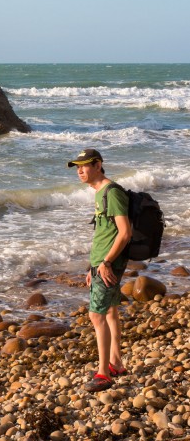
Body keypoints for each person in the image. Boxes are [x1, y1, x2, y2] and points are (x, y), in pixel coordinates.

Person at [67, 148, 132, 392]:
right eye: (77, 167)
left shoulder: (112, 192)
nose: (80, 171)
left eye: (84, 165)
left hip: (108, 263)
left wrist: (105, 263)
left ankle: (103, 373)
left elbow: (125, 233)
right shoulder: (99, 193)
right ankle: (117, 363)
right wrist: (92, 266)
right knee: (111, 312)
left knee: (97, 315)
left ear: (98, 165)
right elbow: (104, 233)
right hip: (102, 263)